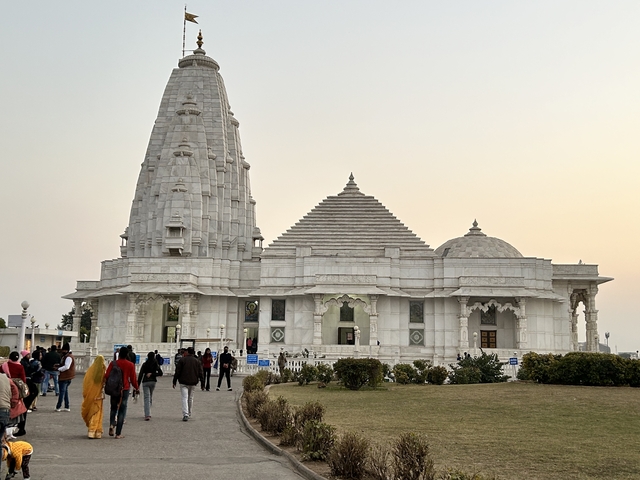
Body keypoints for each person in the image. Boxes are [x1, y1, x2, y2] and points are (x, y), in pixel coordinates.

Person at [104, 347, 138, 439]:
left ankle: (111, 424)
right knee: (122, 410)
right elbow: (133, 379)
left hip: (114, 389)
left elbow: (106, 375)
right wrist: (136, 388)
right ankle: (118, 433)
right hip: (124, 389)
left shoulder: (113, 363)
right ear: (127, 354)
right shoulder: (130, 365)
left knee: (113, 408)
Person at [172, 347, 203, 421]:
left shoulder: (182, 360)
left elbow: (178, 371)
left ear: (188, 352)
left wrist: (174, 381)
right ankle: (189, 412)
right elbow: (200, 373)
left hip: (183, 381)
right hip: (193, 381)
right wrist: (202, 383)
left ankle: (185, 414)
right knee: (190, 398)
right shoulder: (197, 361)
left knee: (184, 397)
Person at [82, 355, 106, 439]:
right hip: (98, 396)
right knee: (97, 413)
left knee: (91, 412)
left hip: (90, 395)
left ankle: (91, 431)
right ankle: (96, 432)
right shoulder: (103, 371)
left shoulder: (90, 370)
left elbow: (86, 382)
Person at [137, 352, 163, 421]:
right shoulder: (155, 364)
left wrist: (137, 385)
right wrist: (153, 374)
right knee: (150, 395)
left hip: (145, 381)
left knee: (146, 397)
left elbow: (140, 375)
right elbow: (160, 373)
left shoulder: (145, 364)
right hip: (153, 381)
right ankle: (149, 407)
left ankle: (147, 414)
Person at [55, 343, 75, 412]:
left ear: (66, 350)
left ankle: (58, 406)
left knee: (62, 392)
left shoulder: (68, 357)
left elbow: (67, 367)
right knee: (65, 392)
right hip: (67, 377)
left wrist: (58, 369)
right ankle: (66, 406)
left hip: (65, 377)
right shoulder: (68, 356)